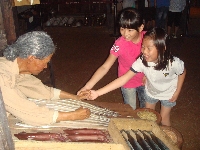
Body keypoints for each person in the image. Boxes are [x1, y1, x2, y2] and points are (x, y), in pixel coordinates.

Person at [87, 28, 186, 126]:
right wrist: (97, 93)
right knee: (149, 118)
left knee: (164, 119)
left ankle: (166, 139)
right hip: (151, 93)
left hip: (168, 94)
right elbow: (123, 79)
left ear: (163, 47)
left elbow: (182, 73)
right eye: (143, 47)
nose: (144, 52)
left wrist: (177, 91)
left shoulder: (174, 63)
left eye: (149, 48)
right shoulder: (141, 61)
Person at [1, 31, 91, 126]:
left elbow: (37, 88)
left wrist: (74, 97)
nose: (45, 67)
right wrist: (72, 116)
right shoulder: (2, 77)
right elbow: (30, 114)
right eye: (45, 62)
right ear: (31, 58)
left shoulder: (13, 66)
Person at [77, 7, 146, 110]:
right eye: (122, 28)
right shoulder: (119, 44)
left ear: (140, 28)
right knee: (130, 110)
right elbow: (105, 67)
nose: (125, 34)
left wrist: (149, 75)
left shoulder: (148, 40)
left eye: (130, 30)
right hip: (126, 82)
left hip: (146, 80)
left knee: (146, 109)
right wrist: (87, 86)